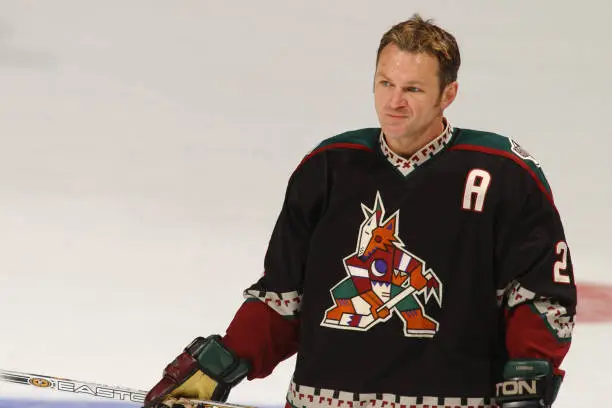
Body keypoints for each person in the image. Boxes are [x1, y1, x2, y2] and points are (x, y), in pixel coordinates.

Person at [143, 14, 576, 408]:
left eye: (413, 89)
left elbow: (540, 296)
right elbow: (283, 297)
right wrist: (221, 361)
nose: (394, 102)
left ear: (449, 94)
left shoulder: (504, 173)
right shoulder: (329, 166)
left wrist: (530, 377)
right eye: (385, 83)